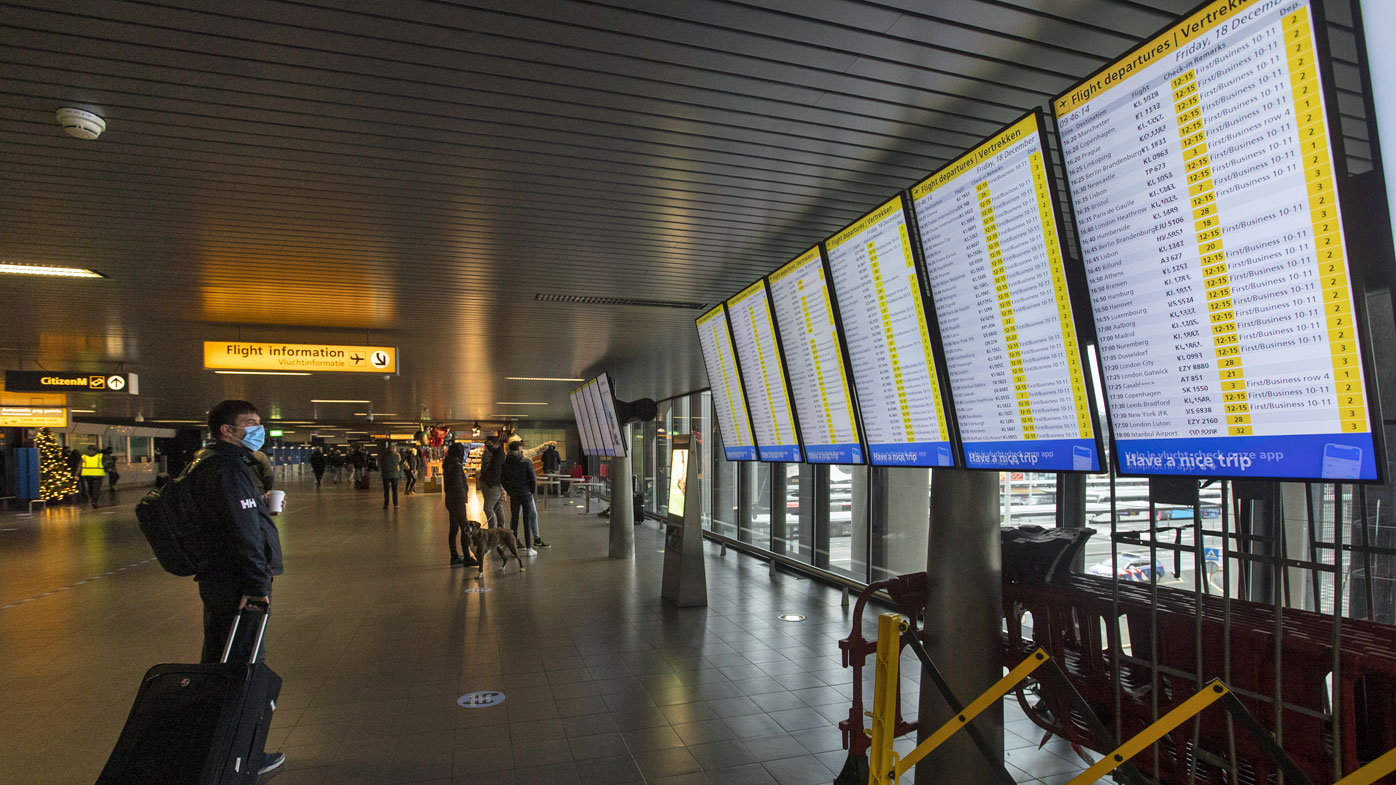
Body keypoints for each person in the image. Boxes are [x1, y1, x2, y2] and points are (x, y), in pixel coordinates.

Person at [190, 399, 285, 776]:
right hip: (239, 585)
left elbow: (231, 518)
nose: (257, 430)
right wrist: (257, 583)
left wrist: (259, 506)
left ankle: (211, 748)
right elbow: (243, 533)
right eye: (250, 423)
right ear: (226, 430)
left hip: (218, 579)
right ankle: (241, 755)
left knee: (219, 661)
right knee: (243, 667)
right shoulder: (229, 469)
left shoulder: (206, 463)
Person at [509, 436, 556, 548]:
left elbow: (535, 450)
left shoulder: (512, 458)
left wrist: (546, 444)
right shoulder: (520, 458)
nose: (522, 443)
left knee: (522, 516)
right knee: (522, 516)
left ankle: (528, 540)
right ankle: (520, 540)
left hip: (520, 492)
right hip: (524, 492)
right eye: (520, 441)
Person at [442, 443, 478, 567]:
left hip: (450, 500)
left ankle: (454, 556)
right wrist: (463, 497)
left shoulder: (448, 464)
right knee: (465, 528)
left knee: (453, 529)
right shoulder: (456, 465)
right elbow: (458, 484)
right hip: (457, 500)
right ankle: (467, 557)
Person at [501, 440, 538, 556]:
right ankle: (528, 548)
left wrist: (509, 490)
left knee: (514, 520)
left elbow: (502, 479)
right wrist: (530, 491)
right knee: (526, 520)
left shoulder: (506, 462)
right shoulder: (525, 461)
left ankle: (514, 547)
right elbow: (533, 478)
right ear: (519, 448)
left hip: (514, 494)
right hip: (525, 493)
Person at [478, 435, 506, 529]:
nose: (488, 447)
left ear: (496, 444)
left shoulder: (499, 456)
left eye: (490, 445)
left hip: (493, 485)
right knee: (497, 507)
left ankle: (492, 530)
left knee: (488, 508)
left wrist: (492, 482)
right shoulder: (493, 453)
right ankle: (501, 528)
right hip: (490, 484)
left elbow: (497, 472)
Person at [378, 442, 400, 509]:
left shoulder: (384, 457)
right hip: (395, 475)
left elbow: (381, 465)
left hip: (386, 475)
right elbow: (398, 462)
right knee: (395, 490)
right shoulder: (396, 456)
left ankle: (386, 504)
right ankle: (395, 504)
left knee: (386, 490)